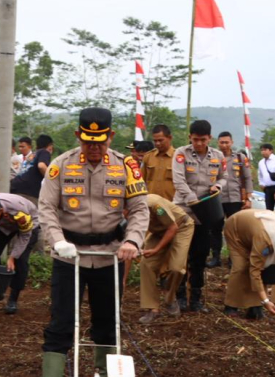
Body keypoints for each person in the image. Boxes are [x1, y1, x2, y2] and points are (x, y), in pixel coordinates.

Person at [38, 107, 148, 376]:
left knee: (108, 322)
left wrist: (132, 241)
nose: (94, 147)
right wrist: (57, 240)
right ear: (78, 136)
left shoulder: (126, 166)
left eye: (100, 142)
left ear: (110, 136)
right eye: (88, 141)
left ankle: (104, 370)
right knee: (61, 322)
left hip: (110, 254)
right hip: (69, 255)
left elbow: (140, 208)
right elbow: (46, 207)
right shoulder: (61, 165)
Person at [172, 120, 226, 313]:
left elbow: (223, 177)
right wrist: (193, 200)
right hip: (183, 212)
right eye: (195, 140)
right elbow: (178, 180)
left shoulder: (218, 156)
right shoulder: (181, 154)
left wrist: (218, 186)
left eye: (203, 140)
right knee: (180, 256)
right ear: (190, 137)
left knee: (200, 255)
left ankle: (196, 298)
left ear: (209, 138)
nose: (199, 144)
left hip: (205, 213)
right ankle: (178, 297)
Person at [222, 209, 275, 319]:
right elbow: (255, 270)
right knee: (241, 267)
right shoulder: (265, 239)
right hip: (236, 229)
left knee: (266, 267)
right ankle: (231, 306)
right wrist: (266, 301)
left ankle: (255, 306)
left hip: (254, 230)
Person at [138, 194, 194, 324]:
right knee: (146, 264)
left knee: (176, 268)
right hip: (159, 231)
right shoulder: (128, 209)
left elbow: (173, 227)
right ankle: (152, 309)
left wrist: (156, 249)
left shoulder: (154, 205)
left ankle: (169, 299)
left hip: (181, 227)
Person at [209, 132, 254, 268]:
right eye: (221, 142)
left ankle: (233, 258)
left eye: (226, 142)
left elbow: (247, 179)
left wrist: (248, 199)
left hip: (235, 198)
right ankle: (215, 257)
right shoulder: (212, 157)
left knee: (234, 230)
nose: (224, 145)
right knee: (215, 229)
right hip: (217, 198)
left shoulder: (240, 158)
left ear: (232, 142)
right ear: (218, 143)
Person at [10, 134, 53, 206]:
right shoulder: (44, 152)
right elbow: (41, 166)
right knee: (35, 214)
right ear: (49, 145)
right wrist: (52, 180)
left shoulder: (32, 155)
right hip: (28, 192)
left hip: (15, 187)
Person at [140, 125, 176, 201]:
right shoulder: (148, 157)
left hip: (171, 205)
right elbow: (140, 181)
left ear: (170, 138)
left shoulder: (178, 158)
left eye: (160, 140)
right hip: (150, 204)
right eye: (155, 141)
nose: (157, 143)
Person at [258, 143, 275, 212]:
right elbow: (260, 175)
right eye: (262, 150)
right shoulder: (261, 162)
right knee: (269, 209)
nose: (263, 152)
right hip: (267, 188)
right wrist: (261, 184)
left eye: (265, 150)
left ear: (271, 151)